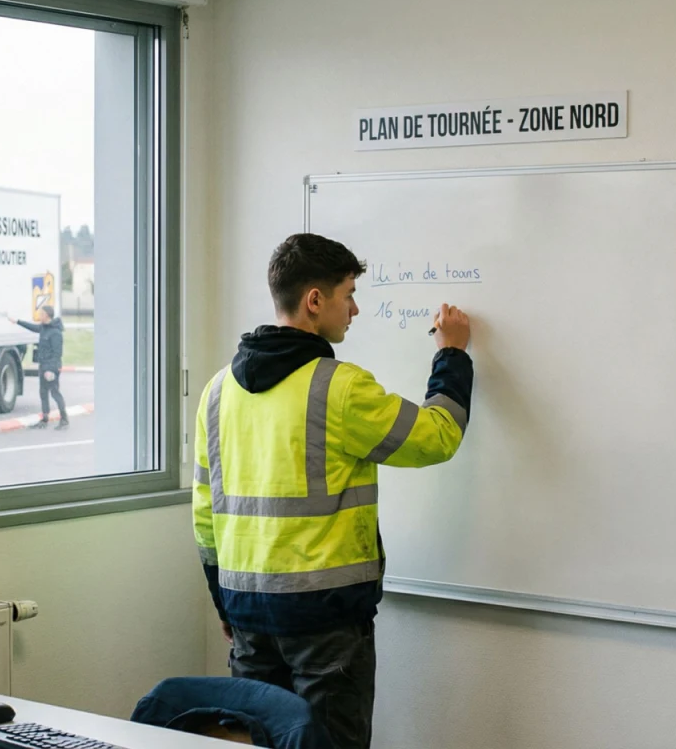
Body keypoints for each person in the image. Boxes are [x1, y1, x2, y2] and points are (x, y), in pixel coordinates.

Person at [192, 233, 473, 749]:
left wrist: (224, 605)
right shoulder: (339, 388)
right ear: (315, 301)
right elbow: (437, 436)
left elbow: (205, 517)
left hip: (247, 616)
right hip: (325, 626)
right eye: (348, 294)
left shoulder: (216, 391)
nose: (356, 309)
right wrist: (452, 355)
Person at [9, 306, 67, 429]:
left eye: (41, 314)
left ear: (47, 315)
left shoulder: (55, 332)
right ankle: (44, 419)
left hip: (51, 368)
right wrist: (18, 322)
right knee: (43, 393)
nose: (39, 315)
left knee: (55, 392)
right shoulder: (43, 328)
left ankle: (64, 419)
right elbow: (32, 327)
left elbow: (57, 353)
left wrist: (50, 370)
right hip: (43, 365)